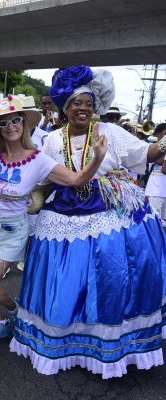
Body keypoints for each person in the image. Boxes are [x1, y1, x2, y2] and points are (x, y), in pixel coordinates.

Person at [10, 66, 166, 379]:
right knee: (66, 281)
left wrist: (162, 144)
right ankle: (67, 339)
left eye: (88, 103)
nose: (83, 108)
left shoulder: (111, 133)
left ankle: (110, 343)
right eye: (76, 103)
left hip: (112, 213)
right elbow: (45, 178)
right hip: (64, 215)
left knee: (111, 279)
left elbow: (145, 153)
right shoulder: (52, 140)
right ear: (64, 108)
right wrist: (33, 198)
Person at [0, 95, 107, 346]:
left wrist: (96, 158)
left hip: (12, 230)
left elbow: (76, 180)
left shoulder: (39, 159)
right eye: (3, 123)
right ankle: (1, 323)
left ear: (24, 123)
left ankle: (17, 313)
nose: (10, 126)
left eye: (15, 120)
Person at [145, 123, 166, 227]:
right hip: (155, 190)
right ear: (158, 134)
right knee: (153, 220)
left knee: (163, 222)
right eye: (165, 133)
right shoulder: (152, 146)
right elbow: (160, 161)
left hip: (163, 190)